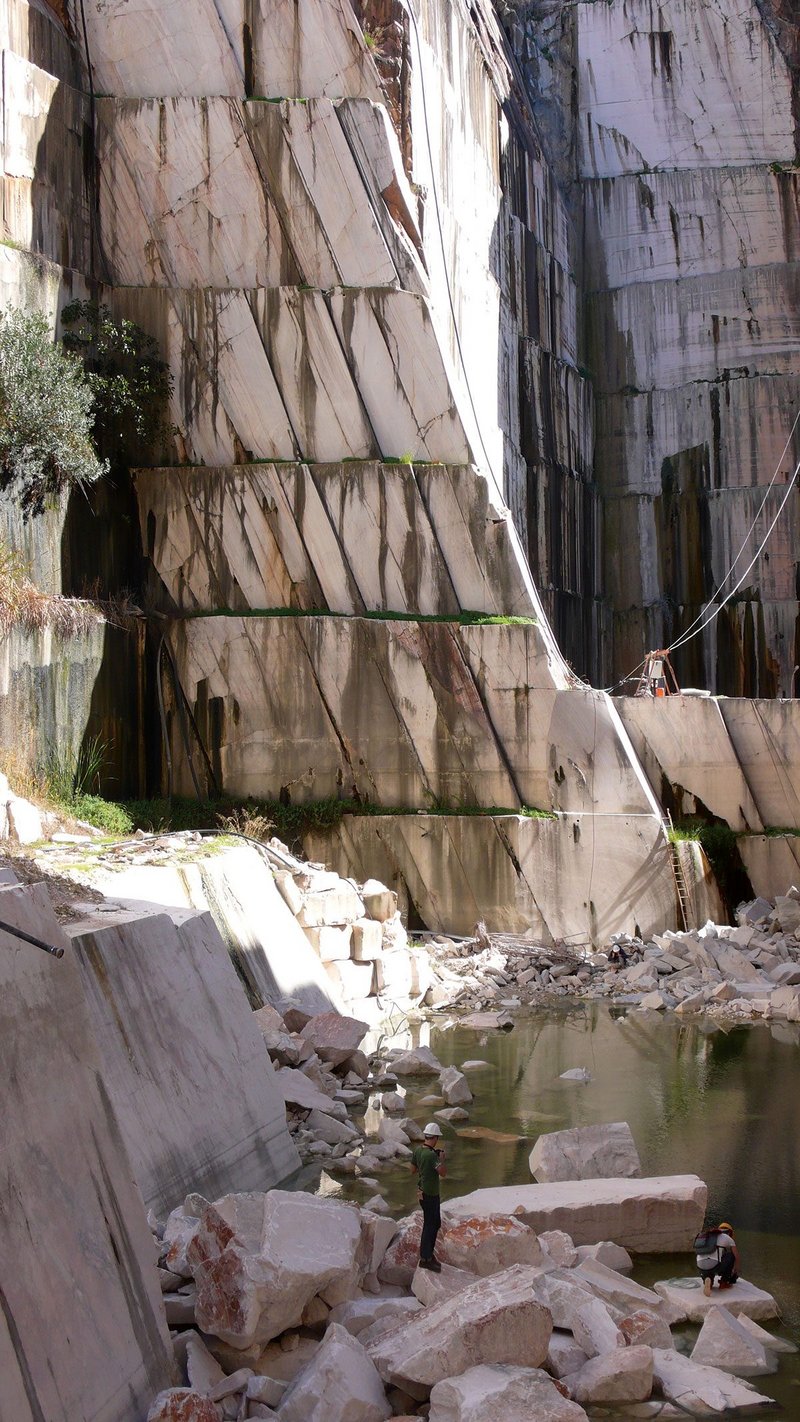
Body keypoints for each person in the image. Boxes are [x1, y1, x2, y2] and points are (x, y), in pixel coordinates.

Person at [411, 1122, 446, 1271]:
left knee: (433, 1223)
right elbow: (443, 1172)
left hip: (422, 1192)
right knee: (431, 1226)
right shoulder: (432, 1156)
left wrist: (424, 1167)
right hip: (431, 1194)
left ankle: (428, 1255)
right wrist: (441, 1159)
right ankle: (426, 1258)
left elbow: (412, 1170)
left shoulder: (418, 1151)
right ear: (435, 1138)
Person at [697, 1221, 739, 1296]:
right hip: (714, 1266)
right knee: (730, 1255)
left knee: (713, 1258)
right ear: (730, 1232)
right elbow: (737, 1256)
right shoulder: (727, 1237)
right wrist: (734, 1271)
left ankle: (709, 1281)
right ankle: (723, 1283)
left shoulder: (706, 1236)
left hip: (700, 1266)